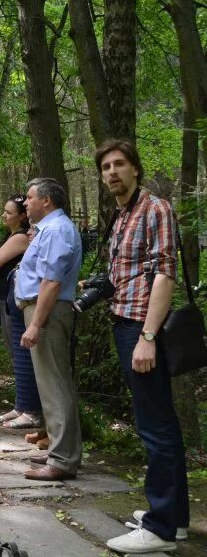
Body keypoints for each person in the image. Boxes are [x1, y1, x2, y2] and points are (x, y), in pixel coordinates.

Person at [95, 140, 188, 554]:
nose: (112, 172)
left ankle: (161, 529)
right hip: (126, 321)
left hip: (142, 328)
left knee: (156, 427)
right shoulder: (122, 215)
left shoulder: (155, 209)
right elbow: (130, 272)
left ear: (135, 168)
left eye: (119, 164)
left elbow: (165, 275)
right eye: (106, 167)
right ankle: (175, 519)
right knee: (158, 421)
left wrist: (148, 337)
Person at [16, 177, 83, 482]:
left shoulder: (56, 230)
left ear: (46, 201)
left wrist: (35, 324)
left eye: (29, 198)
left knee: (55, 384)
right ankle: (60, 448)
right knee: (52, 384)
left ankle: (63, 459)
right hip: (44, 309)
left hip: (48, 312)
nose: (25, 203)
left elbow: (52, 281)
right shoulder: (50, 229)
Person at [0, 196, 43, 430]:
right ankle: (21, 405)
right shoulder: (14, 236)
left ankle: (30, 409)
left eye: (9, 212)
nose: (4, 216)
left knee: (21, 353)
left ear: (22, 216)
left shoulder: (20, 238)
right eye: (3, 211)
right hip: (4, 297)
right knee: (15, 353)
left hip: (13, 299)